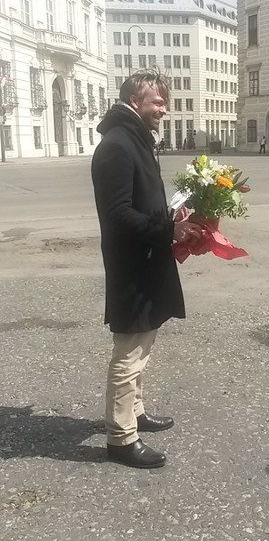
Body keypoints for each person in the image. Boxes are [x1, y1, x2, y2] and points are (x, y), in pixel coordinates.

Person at [91, 69, 202, 469]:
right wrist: (168, 229)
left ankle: (134, 411)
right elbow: (117, 214)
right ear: (134, 101)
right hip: (132, 264)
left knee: (144, 341)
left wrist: (171, 215)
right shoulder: (117, 145)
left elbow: (141, 201)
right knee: (130, 349)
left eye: (165, 102)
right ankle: (121, 438)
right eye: (157, 102)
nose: (164, 109)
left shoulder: (137, 139)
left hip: (147, 259)